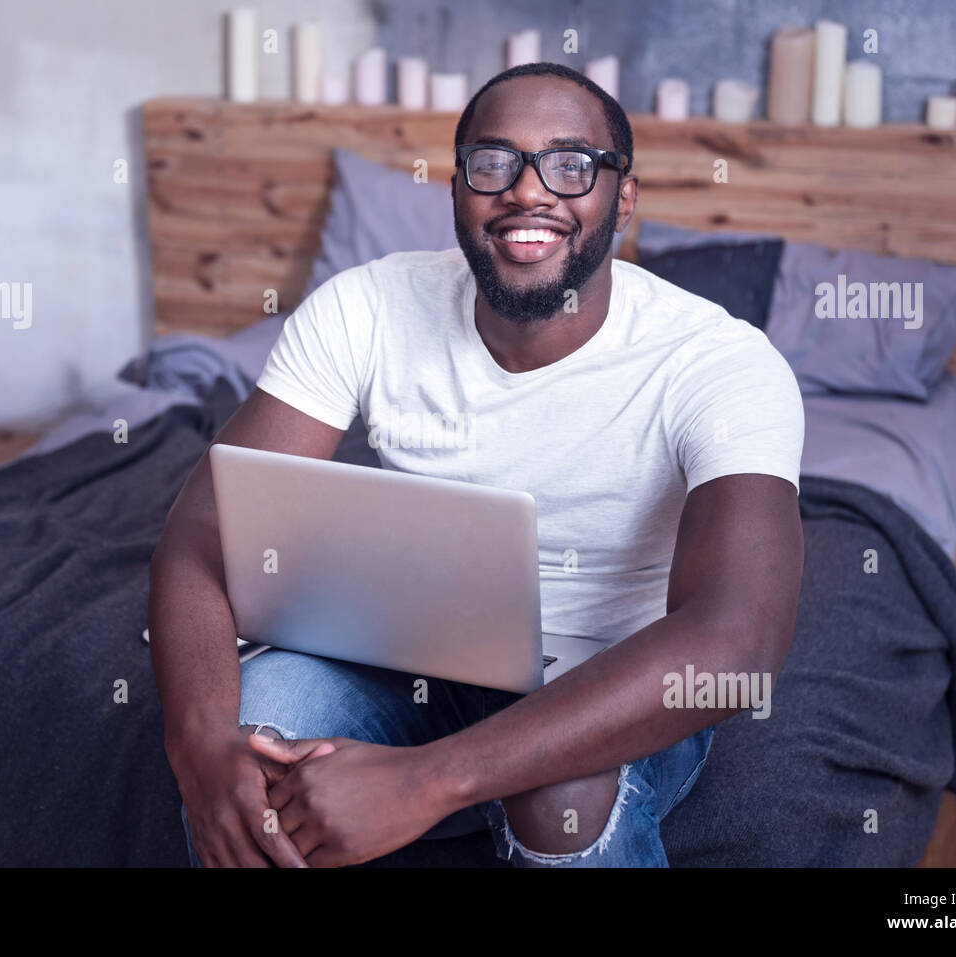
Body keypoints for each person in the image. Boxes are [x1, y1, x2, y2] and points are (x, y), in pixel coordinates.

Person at [148, 61, 805, 868]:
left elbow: (740, 639)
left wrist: (428, 781)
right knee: (257, 740)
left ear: (622, 199)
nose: (529, 192)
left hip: (609, 670)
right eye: (494, 162)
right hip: (403, 648)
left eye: (571, 165)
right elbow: (204, 529)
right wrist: (200, 741)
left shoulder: (720, 363)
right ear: (458, 189)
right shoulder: (367, 306)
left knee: (561, 799)